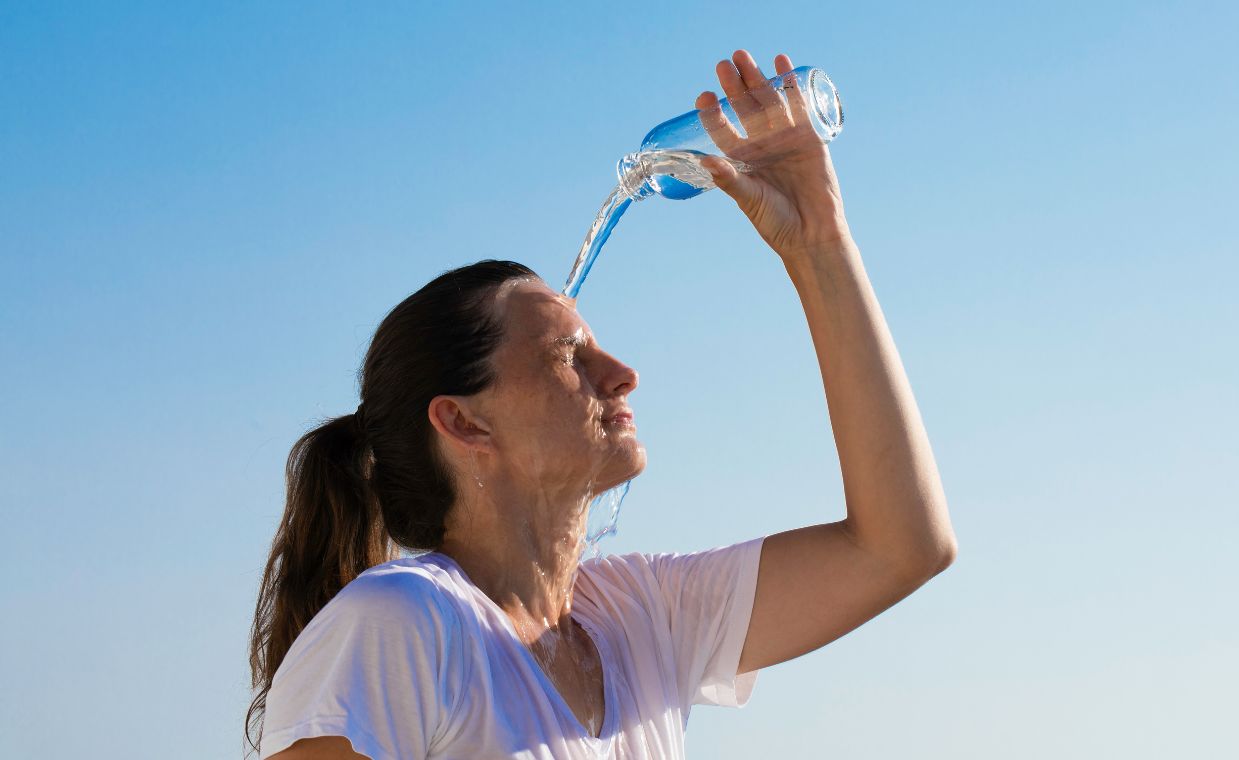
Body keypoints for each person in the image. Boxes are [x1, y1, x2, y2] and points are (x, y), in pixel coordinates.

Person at [248, 49, 958, 760]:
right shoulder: (405, 622)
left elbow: (900, 547)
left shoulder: (642, 617)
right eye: (567, 357)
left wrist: (818, 243)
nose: (622, 375)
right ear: (464, 421)